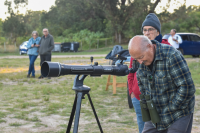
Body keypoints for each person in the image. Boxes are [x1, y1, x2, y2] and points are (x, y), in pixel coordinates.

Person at [128, 35, 195, 133]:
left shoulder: (171, 55)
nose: (140, 62)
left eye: (141, 57)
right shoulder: (140, 61)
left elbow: (187, 88)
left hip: (179, 112)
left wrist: (171, 108)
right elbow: (142, 85)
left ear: (150, 47)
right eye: (136, 59)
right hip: (155, 111)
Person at [128, 13, 170, 133]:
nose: (147, 32)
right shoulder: (137, 46)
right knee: (144, 129)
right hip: (139, 97)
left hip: (161, 99)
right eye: (145, 30)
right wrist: (131, 91)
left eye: (150, 29)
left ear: (157, 31)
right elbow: (131, 72)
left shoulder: (167, 47)